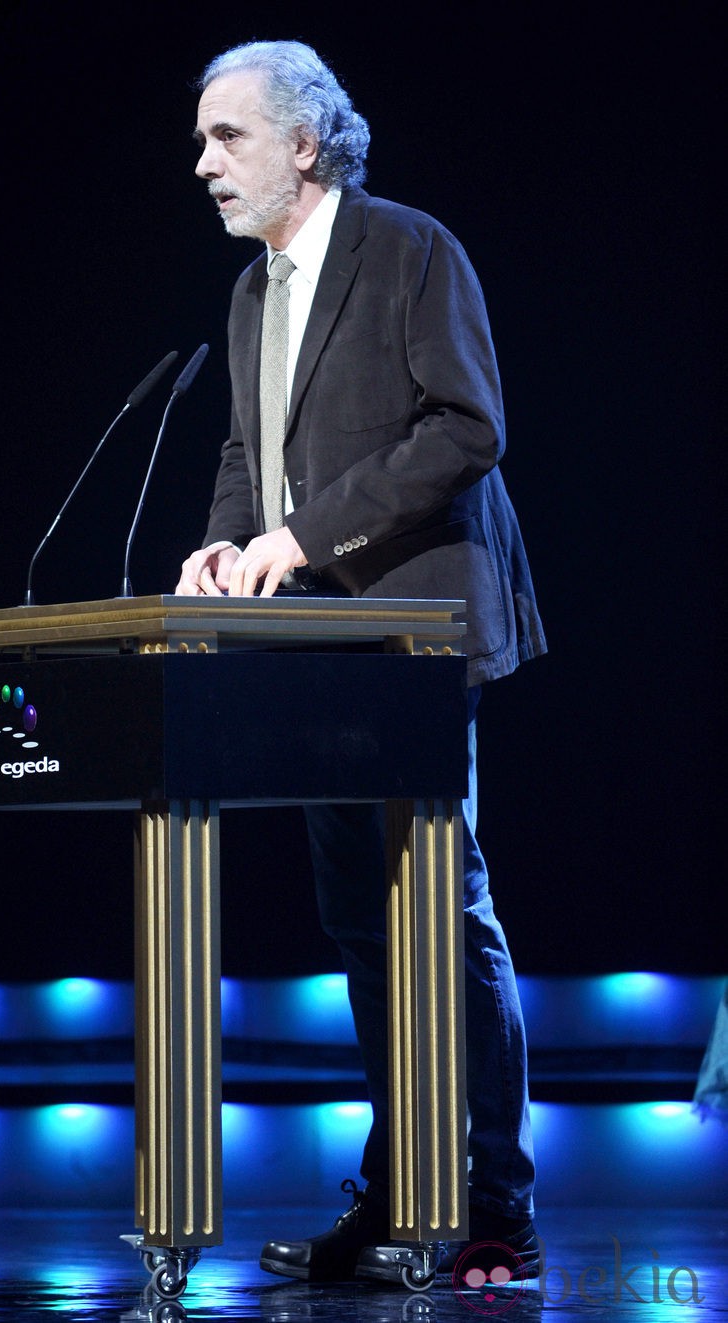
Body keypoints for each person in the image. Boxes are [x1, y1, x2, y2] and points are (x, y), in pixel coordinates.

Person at [176, 39, 548, 1285]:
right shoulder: (248, 294)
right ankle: (398, 1200)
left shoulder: (407, 248)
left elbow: (469, 426)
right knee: (361, 928)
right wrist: (228, 545)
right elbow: (250, 451)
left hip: (413, 631)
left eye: (226, 137)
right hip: (313, 647)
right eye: (200, 140)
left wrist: (301, 531)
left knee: (441, 919)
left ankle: (488, 1208)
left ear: (304, 141)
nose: (203, 165)